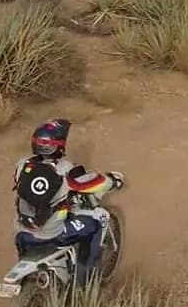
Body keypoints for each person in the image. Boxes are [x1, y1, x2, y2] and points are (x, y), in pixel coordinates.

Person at [13, 118, 123, 283]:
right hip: (54, 233)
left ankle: (30, 277)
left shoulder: (21, 165)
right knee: (96, 221)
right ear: (59, 145)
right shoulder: (65, 168)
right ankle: (86, 281)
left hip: (23, 234)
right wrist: (112, 181)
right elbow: (89, 185)